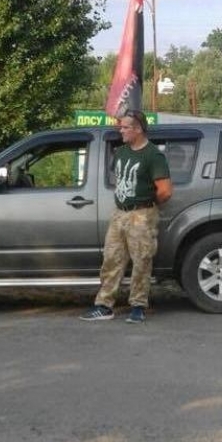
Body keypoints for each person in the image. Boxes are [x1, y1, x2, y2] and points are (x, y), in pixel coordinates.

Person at [80, 109, 173, 324]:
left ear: (138, 129)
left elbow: (166, 190)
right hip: (119, 214)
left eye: (125, 127)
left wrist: (146, 205)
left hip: (141, 214)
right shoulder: (121, 152)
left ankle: (138, 306)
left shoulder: (153, 155)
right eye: (120, 127)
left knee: (141, 260)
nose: (120, 130)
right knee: (111, 259)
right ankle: (104, 305)